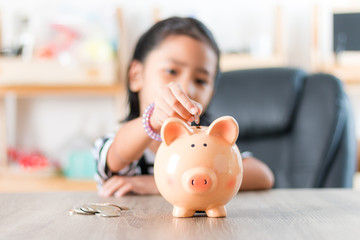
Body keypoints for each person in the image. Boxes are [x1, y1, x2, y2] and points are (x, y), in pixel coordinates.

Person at [93, 17, 274, 197]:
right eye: (171, 71)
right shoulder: (114, 143)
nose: (187, 88)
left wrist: (157, 185)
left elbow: (263, 175)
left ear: (212, 93)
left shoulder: (209, 144)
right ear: (136, 76)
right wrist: (154, 119)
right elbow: (118, 157)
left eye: (201, 80)